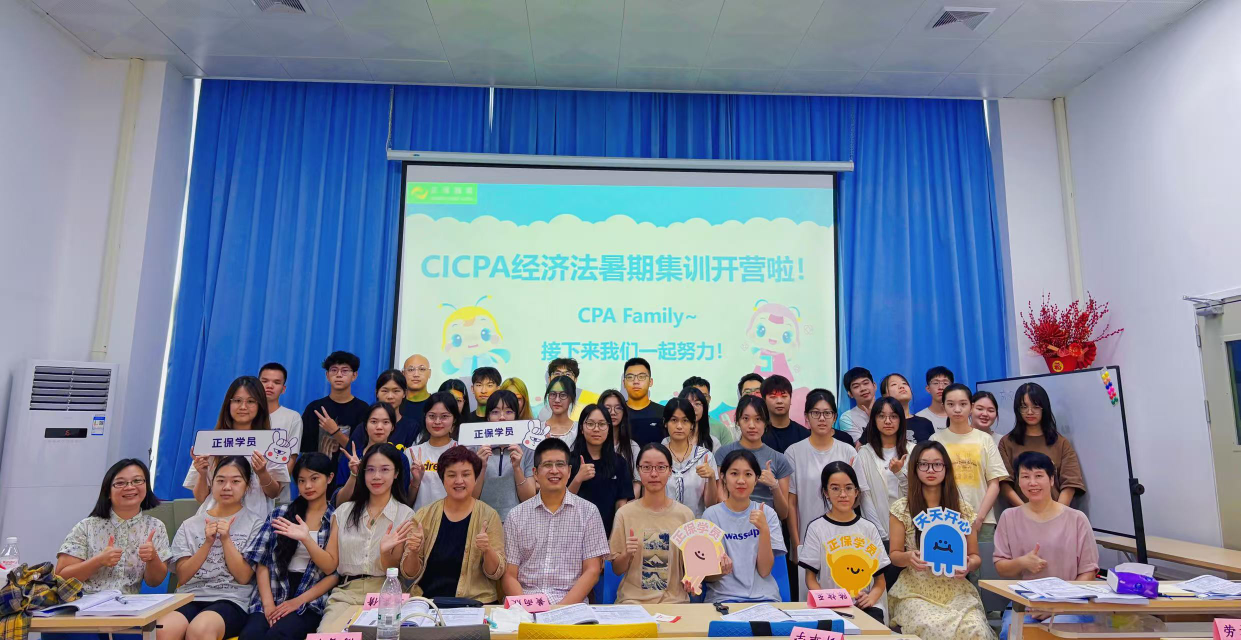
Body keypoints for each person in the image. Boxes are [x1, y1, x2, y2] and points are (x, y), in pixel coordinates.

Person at [888, 442, 992, 640]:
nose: (931, 470)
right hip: (915, 591)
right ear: (915, 468)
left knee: (975, 629)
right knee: (932, 627)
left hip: (956, 589)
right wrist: (909, 557)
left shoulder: (963, 509)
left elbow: (975, 557)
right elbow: (894, 555)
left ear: (946, 468)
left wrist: (969, 564)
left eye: (937, 464)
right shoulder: (902, 509)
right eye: (924, 464)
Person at [158, 456, 265, 640]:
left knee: (200, 629)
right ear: (212, 483)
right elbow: (183, 576)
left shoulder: (256, 524)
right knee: (163, 629)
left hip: (231, 599)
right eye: (220, 481)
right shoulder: (190, 525)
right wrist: (207, 543)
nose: (227, 487)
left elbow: (243, 577)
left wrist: (226, 539)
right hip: (189, 596)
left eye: (235, 481)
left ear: (247, 486)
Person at [316, 444, 416, 633]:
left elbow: (394, 571)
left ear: (396, 473)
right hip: (346, 594)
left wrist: (385, 553)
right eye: (370, 470)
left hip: (387, 594)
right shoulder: (344, 512)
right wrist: (305, 538)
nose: (376, 476)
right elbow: (329, 566)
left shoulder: (406, 515)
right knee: (327, 635)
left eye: (384, 470)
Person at [240, 453, 338, 640]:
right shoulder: (280, 514)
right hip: (274, 588)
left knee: (279, 635)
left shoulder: (335, 518)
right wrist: (268, 605)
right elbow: (262, 561)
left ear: (330, 478)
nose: (307, 486)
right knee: (251, 635)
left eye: (314, 478)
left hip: (310, 597)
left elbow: (332, 572)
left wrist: (306, 539)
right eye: (301, 481)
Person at [502, 438, 609, 605]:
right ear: (535, 473)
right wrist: (528, 608)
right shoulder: (516, 516)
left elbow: (592, 571)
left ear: (569, 471)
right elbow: (509, 575)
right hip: (525, 605)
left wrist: (560, 609)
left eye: (560, 464)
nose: (554, 471)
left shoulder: (588, 512)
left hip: (571, 606)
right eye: (547, 465)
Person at [402, 446, 506, 603]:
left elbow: (496, 573)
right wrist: (413, 552)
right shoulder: (424, 515)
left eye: (466, 474)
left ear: (476, 478)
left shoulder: (489, 515)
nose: (459, 481)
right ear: (442, 479)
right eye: (451, 475)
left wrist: (487, 550)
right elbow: (409, 573)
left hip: (475, 602)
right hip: (429, 602)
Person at [57, 459, 170, 594]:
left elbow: (154, 582)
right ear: (108, 492)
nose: (130, 487)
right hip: (86, 602)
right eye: (120, 483)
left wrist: (153, 558)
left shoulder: (155, 526)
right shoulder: (86, 527)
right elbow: (61, 577)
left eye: (137, 481)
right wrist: (98, 561)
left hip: (130, 604)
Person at [798, 462, 890, 623]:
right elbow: (810, 579)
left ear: (856, 491)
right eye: (835, 488)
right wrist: (826, 602)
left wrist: (871, 598)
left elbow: (880, 580)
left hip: (865, 606)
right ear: (825, 492)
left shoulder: (868, 528)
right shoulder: (816, 528)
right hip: (829, 606)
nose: (843, 494)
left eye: (848, 488)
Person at [786, 390, 874, 558]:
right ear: (806, 417)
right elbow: (791, 503)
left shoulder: (848, 451)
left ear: (834, 417)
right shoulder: (794, 452)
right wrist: (797, 545)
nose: (821, 418)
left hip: (844, 539)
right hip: (807, 539)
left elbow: (859, 495)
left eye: (827, 413)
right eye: (815, 413)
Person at [186, 376, 288, 518]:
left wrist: (262, 472)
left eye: (251, 401)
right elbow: (201, 498)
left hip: (254, 522)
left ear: (260, 406)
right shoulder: (211, 441)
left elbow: (274, 493)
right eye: (237, 401)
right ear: (228, 404)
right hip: (214, 522)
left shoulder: (271, 443)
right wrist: (202, 474)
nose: (243, 407)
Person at [993, 452, 1098, 581]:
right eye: (1025, 476)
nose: (1032, 483)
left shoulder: (1077, 519)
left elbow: (1089, 571)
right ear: (1018, 481)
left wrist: (1069, 592)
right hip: (1023, 593)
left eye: (1038, 476)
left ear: (1051, 479)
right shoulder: (1008, 517)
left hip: (1068, 593)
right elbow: (1000, 568)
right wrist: (1022, 562)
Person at [610, 443, 694, 604]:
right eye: (647, 467)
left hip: (674, 603)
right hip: (633, 602)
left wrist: (695, 578)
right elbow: (617, 570)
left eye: (661, 467)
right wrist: (627, 554)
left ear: (670, 471)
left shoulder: (685, 515)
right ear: (638, 471)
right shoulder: (625, 514)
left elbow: (692, 567)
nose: (654, 474)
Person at [703, 449, 784, 603]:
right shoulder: (710, 516)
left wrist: (764, 530)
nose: (741, 480)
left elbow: (765, 571)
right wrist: (720, 570)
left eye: (748, 474)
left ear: (756, 479)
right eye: (734, 474)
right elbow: (707, 577)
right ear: (723, 477)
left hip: (764, 599)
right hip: (723, 599)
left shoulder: (767, 513)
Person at [931, 384, 1009, 543]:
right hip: (946, 519)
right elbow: (932, 483)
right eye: (951, 404)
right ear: (943, 406)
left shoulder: (985, 439)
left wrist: (979, 518)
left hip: (983, 520)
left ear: (971, 407)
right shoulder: (936, 440)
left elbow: (994, 483)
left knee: (983, 559)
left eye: (963, 404)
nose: (957, 409)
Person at [998, 382, 1086, 507]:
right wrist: (1025, 511)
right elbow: (1004, 483)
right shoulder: (1007, 443)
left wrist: (1057, 512)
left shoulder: (1061, 443)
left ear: (1044, 408)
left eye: (1036, 406)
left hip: (1056, 512)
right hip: (1020, 513)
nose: (1029, 412)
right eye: (1024, 407)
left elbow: (1071, 483)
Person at [854, 398, 911, 589]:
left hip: (909, 531)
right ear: (874, 420)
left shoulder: (912, 450)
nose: (888, 421)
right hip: (876, 531)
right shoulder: (864, 453)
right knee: (881, 586)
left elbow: (916, 495)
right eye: (882, 416)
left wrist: (900, 473)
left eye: (893, 416)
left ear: (901, 420)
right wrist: (879, 532)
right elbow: (865, 496)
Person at [713, 396, 791, 522]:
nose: (752, 425)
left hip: (767, 524)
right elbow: (720, 497)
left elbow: (783, 513)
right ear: (737, 421)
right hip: (732, 524)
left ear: (766, 422)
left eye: (758, 419)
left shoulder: (779, 459)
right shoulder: (723, 453)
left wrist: (774, 485)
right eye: (745, 418)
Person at [568, 403, 634, 537]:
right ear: (581, 428)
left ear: (609, 428)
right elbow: (561, 501)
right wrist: (578, 479)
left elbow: (621, 504)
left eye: (602, 424)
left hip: (607, 535)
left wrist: (615, 537)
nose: (596, 429)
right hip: (573, 534)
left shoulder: (619, 462)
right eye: (590, 424)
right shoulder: (569, 460)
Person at [476, 390, 535, 519]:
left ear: (516, 416)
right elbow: (470, 496)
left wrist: (517, 468)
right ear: (488, 417)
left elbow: (529, 498)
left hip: (517, 520)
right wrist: (482, 466)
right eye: (495, 412)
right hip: (482, 519)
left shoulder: (527, 448)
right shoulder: (476, 447)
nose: (502, 417)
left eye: (508, 412)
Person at [300, 351, 370, 457]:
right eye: (334, 370)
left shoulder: (363, 409)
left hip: (349, 467)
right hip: (317, 467)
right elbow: (305, 450)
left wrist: (335, 431)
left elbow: (362, 451)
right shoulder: (314, 408)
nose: (339, 375)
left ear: (354, 375)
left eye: (345, 370)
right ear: (327, 375)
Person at [660, 397, 719, 517]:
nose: (679, 426)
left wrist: (711, 477)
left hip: (695, 524)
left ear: (692, 424)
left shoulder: (705, 456)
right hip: (663, 522)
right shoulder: (658, 456)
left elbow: (711, 504)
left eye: (685, 421)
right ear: (665, 423)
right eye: (674, 420)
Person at [333, 402, 400, 504]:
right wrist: (354, 474)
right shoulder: (351, 458)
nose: (379, 427)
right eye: (373, 421)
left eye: (386, 422)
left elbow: (402, 497)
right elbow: (339, 503)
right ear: (365, 426)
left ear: (392, 427)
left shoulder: (400, 458)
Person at [406, 392, 463, 510]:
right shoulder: (411, 453)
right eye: (432, 416)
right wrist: (416, 482)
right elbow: (406, 503)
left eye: (444, 416)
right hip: (420, 519)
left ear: (454, 419)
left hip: (453, 517)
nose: (437, 422)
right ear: (425, 417)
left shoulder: (462, 452)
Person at [260, 363, 303, 489]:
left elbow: (292, 457)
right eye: (264, 381)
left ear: (283, 389)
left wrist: (276, 488)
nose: (269, 386)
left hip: (275, 490)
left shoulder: (292, 417)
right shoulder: (245, 414)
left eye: (276, 382)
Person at [372, 369, 423, 447]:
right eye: (385, 391)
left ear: (404, 393)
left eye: (396, 391)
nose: (390, 396)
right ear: (377, 393)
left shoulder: (412, 427)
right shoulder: (365, 427)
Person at [879, 373, 935, 443]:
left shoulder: (925, 423)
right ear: (885, 395)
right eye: (894, 384)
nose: (901, 386)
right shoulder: (882, 424)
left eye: (904, 383)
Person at [759, 374, 809, 453]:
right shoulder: (758, 433)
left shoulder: (804, 435)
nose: (779, 401)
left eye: (784, 396)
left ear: (790, 398)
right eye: (773, 397)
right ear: (764, 400)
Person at [623, 357, 664, 447]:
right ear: (624, 383)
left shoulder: (663, 413)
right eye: (630, 377)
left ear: (650, 382)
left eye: (641, 377)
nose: (636, 381)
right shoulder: (618, 413)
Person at [599, 389, 640, 478]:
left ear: (624, 412)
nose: (613, 412)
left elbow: (637, 481)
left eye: (618, 408)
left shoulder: (633, 447)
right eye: (607, 408)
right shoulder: (593, 445)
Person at [683, 376, 734, 446]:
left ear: (709, 399)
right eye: (694, 397)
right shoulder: (674, 427)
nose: (701, 400)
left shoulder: (720, 428)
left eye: (704, 396)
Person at [837, 367, 876, 443]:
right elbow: (859, 447)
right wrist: (873, 419)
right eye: (856, 386)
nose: (863, 389)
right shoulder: (847, 418)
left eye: (865, 383)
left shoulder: (889, 409)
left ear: (874, 386)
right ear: (850, 394)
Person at [677, 386, 719, 450]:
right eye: (688, 404)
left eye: (697, 404)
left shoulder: (713, 443)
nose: (693, 408)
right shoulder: (667, 441)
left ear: (704, 409)